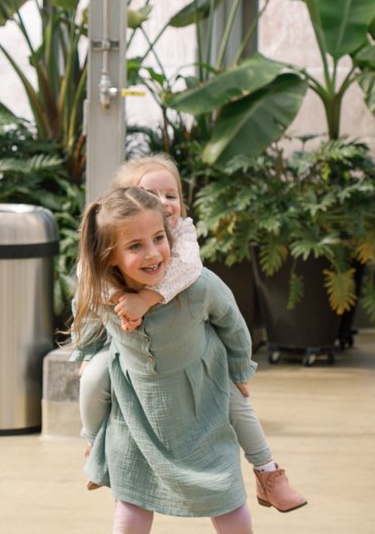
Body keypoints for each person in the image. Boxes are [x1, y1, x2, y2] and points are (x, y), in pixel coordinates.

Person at [72, 185, 302, 534]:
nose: (153, 253)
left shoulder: (198, 285)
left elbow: (234, 324)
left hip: (201, 411)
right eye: (135, 246)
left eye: (159, 238)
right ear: (110, 255)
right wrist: (91, 367)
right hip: (139, 421)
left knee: (237, 521)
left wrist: (239, 373)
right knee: (129, 526)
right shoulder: (105, 296)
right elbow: (87, 335)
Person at [78, 154, 307, 512]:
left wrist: (237, 368)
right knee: (92, 380)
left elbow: (191, 281)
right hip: (126, 352)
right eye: (151, 195)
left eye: (172, 195)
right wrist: (92, 346)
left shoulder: (183, 240)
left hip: (197, 355)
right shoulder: (108, 247)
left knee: (236, 402)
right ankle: (95, 447)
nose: (165, 204)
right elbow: (91, 295)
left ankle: (267, 472)